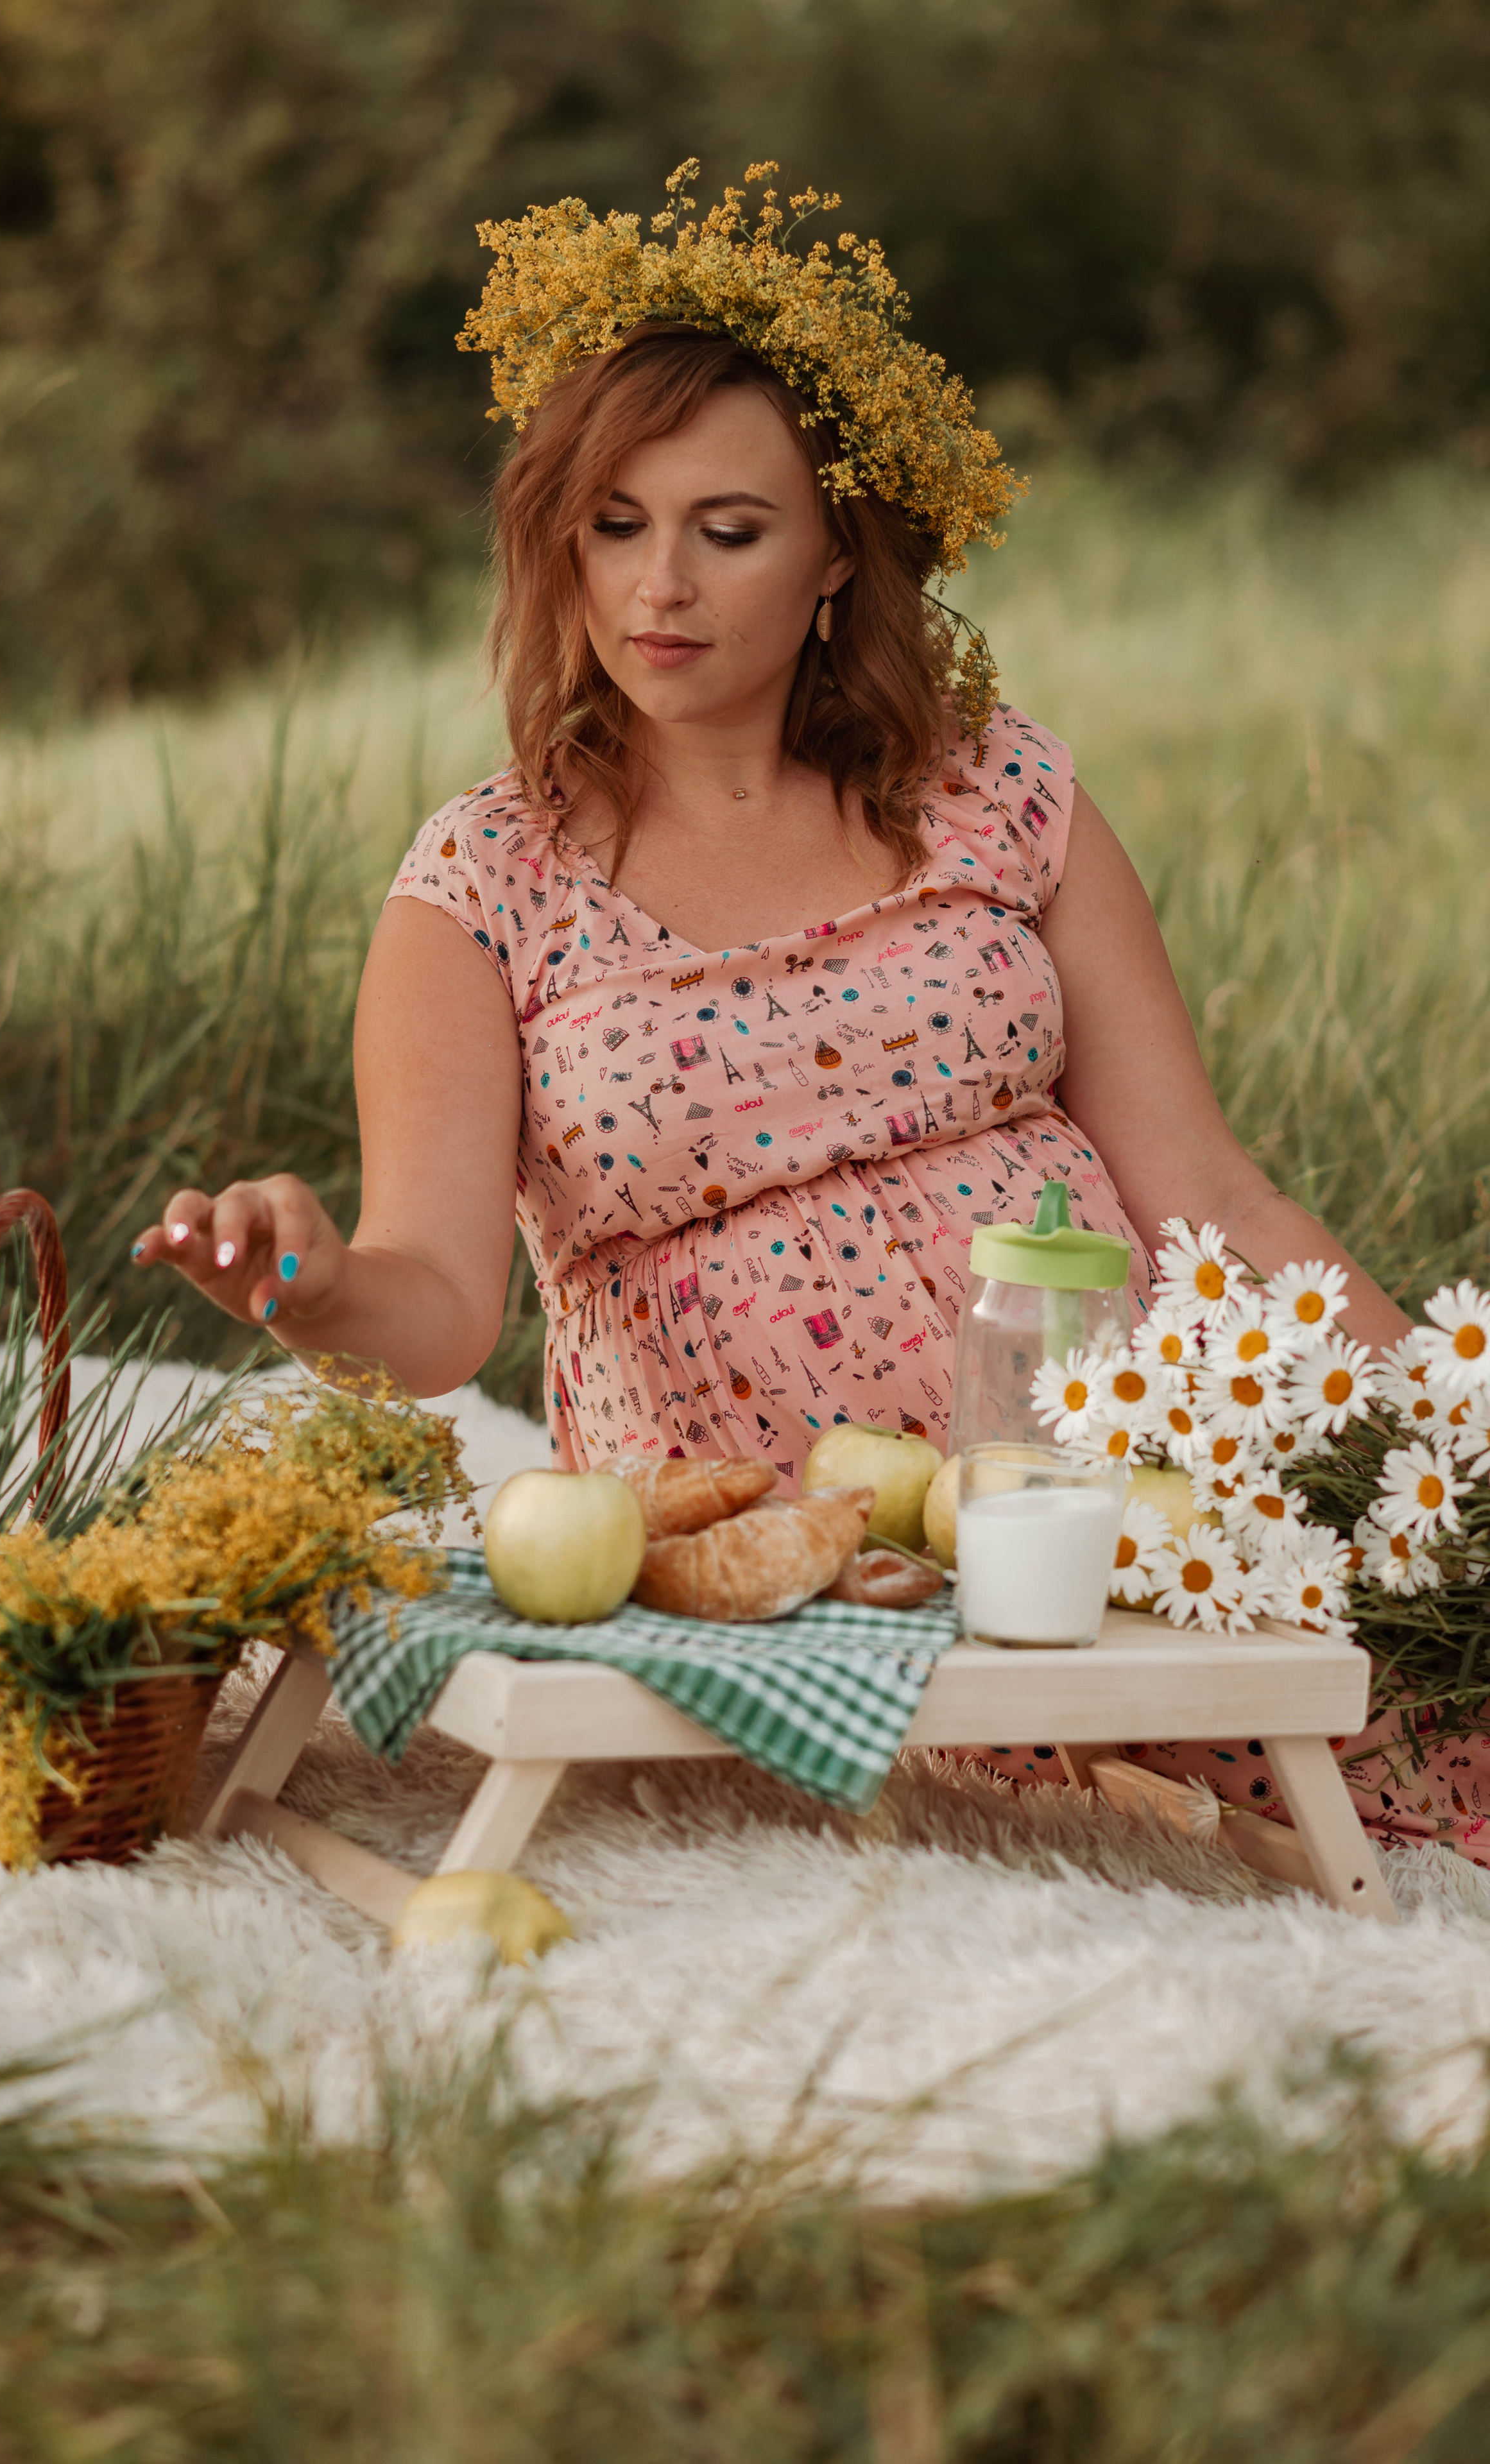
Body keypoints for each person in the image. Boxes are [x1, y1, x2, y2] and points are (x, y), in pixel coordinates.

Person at [133, 164, 1457, 1855]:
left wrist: (1443, 1425)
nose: (657, 586)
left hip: (1124, 1515)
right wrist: (307, 1282)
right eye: (614, 525)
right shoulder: (483, 883)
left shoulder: (998, 793)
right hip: (795, 1580)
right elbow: (445, 1308)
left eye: (726, 530)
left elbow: (1209, 1188)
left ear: (837, 553)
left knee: (1430, 1726)